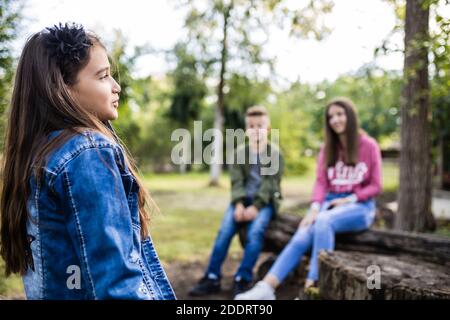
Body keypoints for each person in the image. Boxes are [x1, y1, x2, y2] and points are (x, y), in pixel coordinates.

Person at [0, 23, 175, 300]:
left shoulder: (41, 153)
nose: (116, 87)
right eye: (103, 76)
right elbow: (116, 283)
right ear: (63, 88)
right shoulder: (87, 153)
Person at [235, 98, 382, 300]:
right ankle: (266, 288)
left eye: (340, 114)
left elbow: (376, 185)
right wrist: (314, 207)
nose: (335, 119)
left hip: (359, 206)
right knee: (303, 233)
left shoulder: (369, 145)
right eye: (331, 116)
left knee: (323, 220)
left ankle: (313, 287)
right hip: (328, 204)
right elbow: (321, 183)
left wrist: (349, 199)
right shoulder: (327, 148)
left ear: (350, 116)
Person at [189, 105, 284, 298]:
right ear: (246, 129)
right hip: (242, 200)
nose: (256, 129)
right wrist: (240, 204)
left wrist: (256, 207)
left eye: (260, 125)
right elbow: (236, 182)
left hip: (264, 203)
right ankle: (212, 276)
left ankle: (243, 278)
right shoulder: (240, 152)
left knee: (255, 232)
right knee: (224, 232)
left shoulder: (275, 154)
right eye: (251, 125)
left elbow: (270, 185)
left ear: (268, 129)